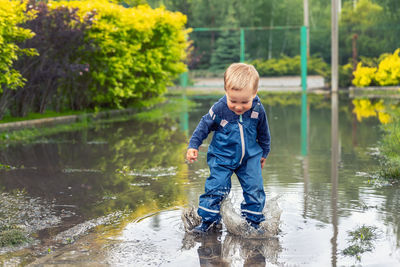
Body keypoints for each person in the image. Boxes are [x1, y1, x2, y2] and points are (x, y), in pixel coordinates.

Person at [186, 63, 271, 233]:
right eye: (233, 101)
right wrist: (193, 145)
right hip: (222, 157)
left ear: (254, 94)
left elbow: (264, 132)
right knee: (216, 187)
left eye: (244, 102)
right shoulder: (219, 109)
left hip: (250, 158)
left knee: (254, 189)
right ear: (226, 91)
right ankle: (209, 221)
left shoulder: (257, 109)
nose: (238, 107)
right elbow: (204, 126)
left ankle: (252, 223)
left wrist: (264, 153)